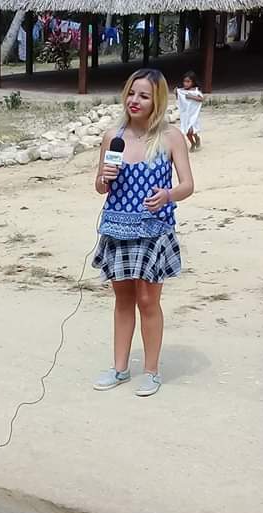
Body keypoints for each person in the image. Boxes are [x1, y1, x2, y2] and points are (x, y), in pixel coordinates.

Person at [92, 68, 195, 397]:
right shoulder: (114, 137)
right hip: (117, 227)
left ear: (157, 101)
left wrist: (167, 195)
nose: (134, 101)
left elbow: (187, 185)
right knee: (123, 299)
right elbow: (99, 186)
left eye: (144, 96)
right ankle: (120, 368)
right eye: (131, 93)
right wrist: (104, 177)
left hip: (154, 230)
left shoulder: (171, 137)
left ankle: (151, 371)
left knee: (148, 300)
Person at [176, 71, 204, 152]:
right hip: (185, 115)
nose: (186, 83)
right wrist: (176, 93)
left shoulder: (195, 91)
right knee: (187, 132)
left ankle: (197, 138)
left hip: (193, 115)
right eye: (184, 81)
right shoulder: (181, 91)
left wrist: (191, 97)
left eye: (188, 81)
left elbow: (201, 99)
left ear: (193, 82)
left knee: (192, 130)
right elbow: (179, 100)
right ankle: (193, 143)